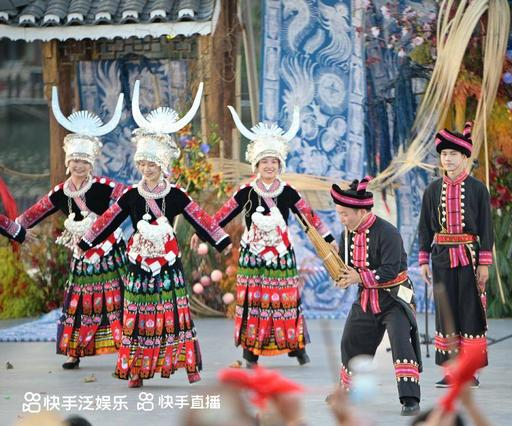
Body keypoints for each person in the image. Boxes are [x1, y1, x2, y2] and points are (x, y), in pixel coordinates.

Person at [78, 80, 227, 386]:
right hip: (138, 262)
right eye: (143, 164)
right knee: (137, 314)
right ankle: (136, 370)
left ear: (162, 166)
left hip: (168, 262)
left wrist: (219, 240)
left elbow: (199, 217)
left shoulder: (176, 195)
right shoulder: (132, 195)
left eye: (151, 164)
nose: (146, 169)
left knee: (173, 312)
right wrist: (87, 240)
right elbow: (109, 219)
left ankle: (187, 365)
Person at [192, 106, 334, 368]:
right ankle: (251, 354)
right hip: (253, 256)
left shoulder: (288, 191)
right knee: (253, 303)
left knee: (285, 303)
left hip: (281, 256)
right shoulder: (246, 191)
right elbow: (222, 215)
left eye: (273, 161)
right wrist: (201, 233)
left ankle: (296, 347)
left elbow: (309, 217)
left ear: (280, 164)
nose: (269, 166)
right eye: (264, 162)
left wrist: (329, 240)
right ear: (256, 165)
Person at [16, 87, 128, 370]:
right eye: (75, 161)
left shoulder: (105, 187)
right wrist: (17, 228)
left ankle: (125, 349)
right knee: (78, 301)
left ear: (91, 164)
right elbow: (36, 211)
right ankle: (74, 351)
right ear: (68, 163)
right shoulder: (61, 192)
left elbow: (132, 200)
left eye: (83, 161)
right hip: (81, 254)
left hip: (109, 252)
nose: (79, 166)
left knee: (116, 299)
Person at [331, 177, 422, 416]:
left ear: (361, 212)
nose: (341, 219)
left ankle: (410, 399)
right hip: (366, 298)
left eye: (345, 214)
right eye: (339, 214)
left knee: (401, 343)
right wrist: (342, 276)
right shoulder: (347, 234)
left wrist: (358, 277)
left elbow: (390, 270)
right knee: (350, 340)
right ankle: (347, 391)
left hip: (395, 298)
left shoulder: (388, 232)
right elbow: (349, 267)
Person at [417, 122, 493, 387]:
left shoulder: (477, 189)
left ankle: (470, 371)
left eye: (453, 154)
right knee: (446, 312)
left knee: (470, 311)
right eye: (444, 154)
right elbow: (425, 227)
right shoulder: (432, 190)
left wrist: (484, 263)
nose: (447, 159)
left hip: (469, 257)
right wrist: (423, 260)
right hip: (441, 257)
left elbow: (486, 228)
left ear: (464, 157)